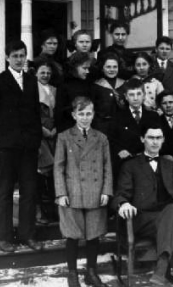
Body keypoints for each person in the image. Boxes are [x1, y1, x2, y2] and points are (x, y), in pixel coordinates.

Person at [112, 122, 173, 287]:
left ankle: (168, 271)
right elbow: (120, 194)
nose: (155, 142)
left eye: (158, 138)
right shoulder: (130, 165)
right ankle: (172, 273)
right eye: (151, 137)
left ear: (163, 139)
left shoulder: (170, 165)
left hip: (166, 217)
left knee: (172, 209)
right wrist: (123, 204)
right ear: (143, 139)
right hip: (142, 220)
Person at [0, 40, 43, 253]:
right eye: (15, 55)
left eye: (22, 55)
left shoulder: (32, 81)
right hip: (6, 147)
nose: (19, 59)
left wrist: (38, 142)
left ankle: (27, 235)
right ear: (7, 57)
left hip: (28, 148)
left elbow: (36, 113)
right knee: (5, 191)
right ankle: (4, 237)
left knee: (29, 191)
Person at [54, 96, 113, 287]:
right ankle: (72, 273)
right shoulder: (64, 137)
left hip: (96, 193)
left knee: (93, 236)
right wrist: (61, 193)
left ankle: (91, 272)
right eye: (81, 114)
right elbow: (58, 167)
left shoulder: (101, 138)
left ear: (94, 115)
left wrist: (106, 191)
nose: (85, 118)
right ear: (74, 115)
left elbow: (107, 167)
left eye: (88, 113)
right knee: (72, 236)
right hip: (73, 193)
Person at [110, 78, 160, 173]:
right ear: (126, 96)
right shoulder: (118, 116)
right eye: (131, 95)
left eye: (138, 94)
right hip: (126, 162)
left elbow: (159, 139)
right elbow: (112, 139)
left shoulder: (153, 116)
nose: (135, 98)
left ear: (144, 95)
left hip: (149, 161)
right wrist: (120, 150)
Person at [35, 61, 58, 225]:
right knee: (41, 171)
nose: (45, 76)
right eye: (42, 72)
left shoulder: (54, 90)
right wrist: (42, 130)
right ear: (36, 73)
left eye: (48, 73)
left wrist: (56, 128)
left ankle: (51, 212)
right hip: (40, 135)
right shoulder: (32, 90)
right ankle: (40, 212)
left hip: (54, 134)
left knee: (53, 173)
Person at [55, 52, 94, 133]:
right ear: (75, 67)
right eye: (84, 68)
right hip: (69, 129)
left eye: (88, 68)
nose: (87, 71)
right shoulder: (64, 84)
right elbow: (60, 112)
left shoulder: (88, 83)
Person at [92, 53, 126, 135]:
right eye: (108, 67)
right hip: (101, 126)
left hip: (121, 125)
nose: (112, 70)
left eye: (115, 67)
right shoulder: (96, 86)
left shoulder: (124, 84)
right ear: (102, 68)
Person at [152, 36, 173, 100]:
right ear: (156, 49)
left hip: (169, 104)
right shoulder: (150, 66)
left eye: (167, 49)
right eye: (162, 48)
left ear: (171, 50)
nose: (165, 51)